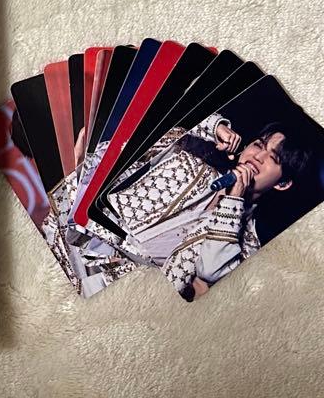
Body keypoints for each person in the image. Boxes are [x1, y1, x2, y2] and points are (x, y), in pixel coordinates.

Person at [100, 116, 311, 301]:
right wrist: (215, 127)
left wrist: (233, 200)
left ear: (282, 183)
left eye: (273, 158)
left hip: (123, 290)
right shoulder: (192, 160)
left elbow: (210, 271)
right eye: (258, 145)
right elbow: (158, 125)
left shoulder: (248, 245)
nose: (258, 156)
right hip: (94, 236)